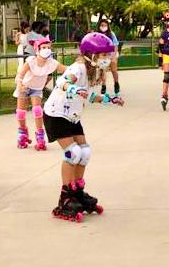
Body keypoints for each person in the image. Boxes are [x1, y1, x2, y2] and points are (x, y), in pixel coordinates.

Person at [42, 33, 124, 222]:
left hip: (72, 116)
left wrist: (109, 98)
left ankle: (77, 192)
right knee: (73, 153)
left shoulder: (90, 70)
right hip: (56, 114)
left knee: (85, 152)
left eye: (107, 56)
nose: (107, 59)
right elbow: (63, 82)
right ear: (92, 55)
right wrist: (73, 88)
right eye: (103, 55)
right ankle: (65, 197)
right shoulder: (78, 67)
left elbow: (87, 95)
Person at [14, 36, 66, 150]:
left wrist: (80, 68)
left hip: (36, 88)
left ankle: (40, 137)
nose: (46, 49)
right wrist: (19, 85)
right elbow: (20, 75)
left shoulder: (51, 62)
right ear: (37, 49)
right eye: (43, 47)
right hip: (24, 86)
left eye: (48, 47)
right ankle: (23, 134)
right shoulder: (31, 61)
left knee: (37, 110)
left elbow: (66, 70)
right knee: (21, 113)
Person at [97, 19, 120, 96]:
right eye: (102, 25)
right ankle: (103, 86)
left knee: (114, 69)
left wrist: (113, 57)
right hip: (103, 55)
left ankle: (116, 83)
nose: (103, 27)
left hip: (112, 53)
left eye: (105, 25)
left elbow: (116, 45)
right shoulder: (97, 35)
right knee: (103, 70)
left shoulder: (111, 34)